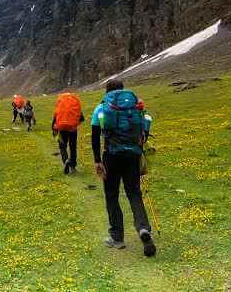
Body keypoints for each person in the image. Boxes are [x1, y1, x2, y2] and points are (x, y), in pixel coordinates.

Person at [91, 79, 156, 257]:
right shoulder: (136, 106)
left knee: (111, 195)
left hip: (111, 156)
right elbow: (145, 127)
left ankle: (117, 237)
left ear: (107, 91)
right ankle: (143, 228)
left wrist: (97, 160)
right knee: (134, 193)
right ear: (123, 89)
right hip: (133, 155)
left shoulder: (101, 107)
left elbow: (95, 135)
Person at [51, 92, 84, 175]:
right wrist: (74, 125)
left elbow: (55, 118)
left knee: (62, 146)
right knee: (73, 147)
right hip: (73, 129)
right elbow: (81, 119)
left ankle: (66, 160)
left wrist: (54, 130)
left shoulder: (60, 107)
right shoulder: (75, 107)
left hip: (62, 129)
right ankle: (73, 167)